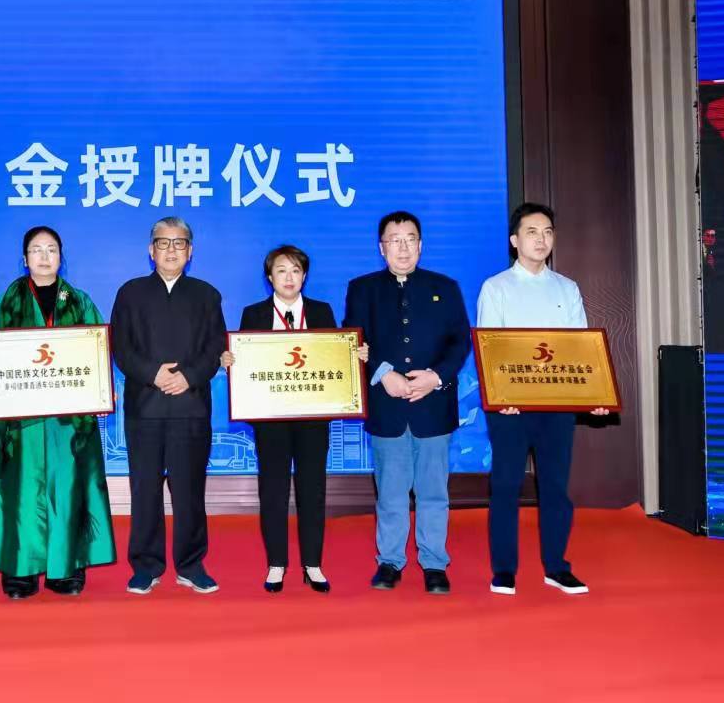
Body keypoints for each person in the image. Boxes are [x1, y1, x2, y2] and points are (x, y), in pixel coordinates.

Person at [0, 226, 116, 599]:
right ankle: (20, 570)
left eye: (52, 249)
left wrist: (101, 390)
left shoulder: (79, 301)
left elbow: (97, 351)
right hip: (20, 421)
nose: (44, 256)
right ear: (24, 259)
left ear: (61, 257)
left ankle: (65, 568)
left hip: (69, 422)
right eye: (36, 249)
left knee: (68, 488)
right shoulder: (6, 303)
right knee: (19, 489)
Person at [477, 202, 609, 596]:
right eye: (532, 232)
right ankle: (504, 570)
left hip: (556, 405)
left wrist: (593, 395)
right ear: (514, 240)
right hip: (510, 407)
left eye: (548, 232)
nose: (541, 239)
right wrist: (502, 395)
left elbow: (580, 350)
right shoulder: (496, 287)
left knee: (555, 487)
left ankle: (556, 567)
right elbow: (490, 349)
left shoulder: (567, 288)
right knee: (505, 486)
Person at [220, 245, 368, 594]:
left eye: (296, 271)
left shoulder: (321, 311)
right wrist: (230, 362)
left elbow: (334, 358)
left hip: (312, 418)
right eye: (281, 271)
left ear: (304, 276)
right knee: (272, 490)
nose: (289, 277)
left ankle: (312, 564)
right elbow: (246, 364)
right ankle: (276, 564)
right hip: (270, 419)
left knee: (312, 489)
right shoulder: (254, 313)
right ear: (269, 277)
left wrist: (355, 354)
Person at [344, 211, 470, 595]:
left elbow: (460, 341)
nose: (403, 247)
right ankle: (389, 562)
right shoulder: (363, 288)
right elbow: (354, 339)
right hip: (388, 404)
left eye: (410, 239)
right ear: (381, 248)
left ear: (421, 244)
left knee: (434, 491)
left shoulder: (444, 287)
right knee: (391, 491)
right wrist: (385, 374)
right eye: (394, 240)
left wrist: (436, 377)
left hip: (434, 404)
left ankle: (434, 563)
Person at [110, 217, 226, 595]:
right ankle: (146, 565)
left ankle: (191, 565)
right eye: (163, 243)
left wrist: (188, 377)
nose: (171, 250)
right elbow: (120, 346)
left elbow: (216, 347)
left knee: (189, 491)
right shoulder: (130, 293)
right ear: (151, 250)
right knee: (145, 490)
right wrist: (153, 374)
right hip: (144, 407)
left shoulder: (207, 295)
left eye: (179, 243)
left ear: (190, 251)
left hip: (191, 407)